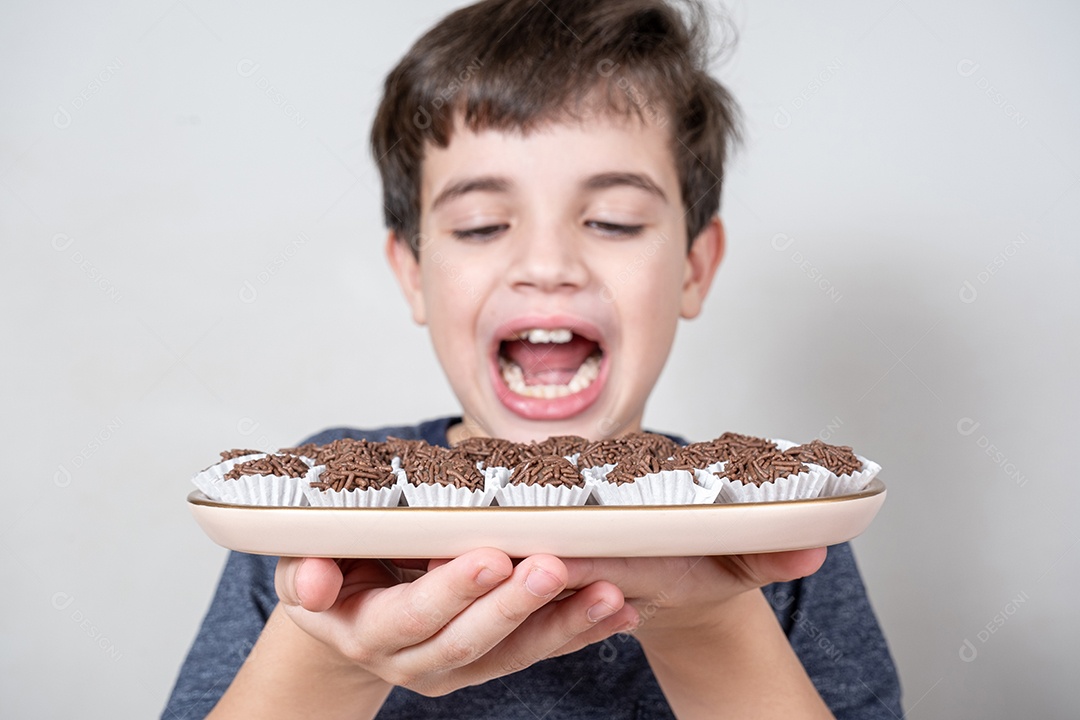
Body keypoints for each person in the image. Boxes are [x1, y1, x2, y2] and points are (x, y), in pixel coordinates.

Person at [163, 0, 902, 717]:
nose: (548, 265)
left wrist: (708, 620)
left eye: (613, 221)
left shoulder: (772, 522)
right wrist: (328, 657)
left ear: (693, 268)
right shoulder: (314, 513)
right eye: (482, 226)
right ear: (413, 274)